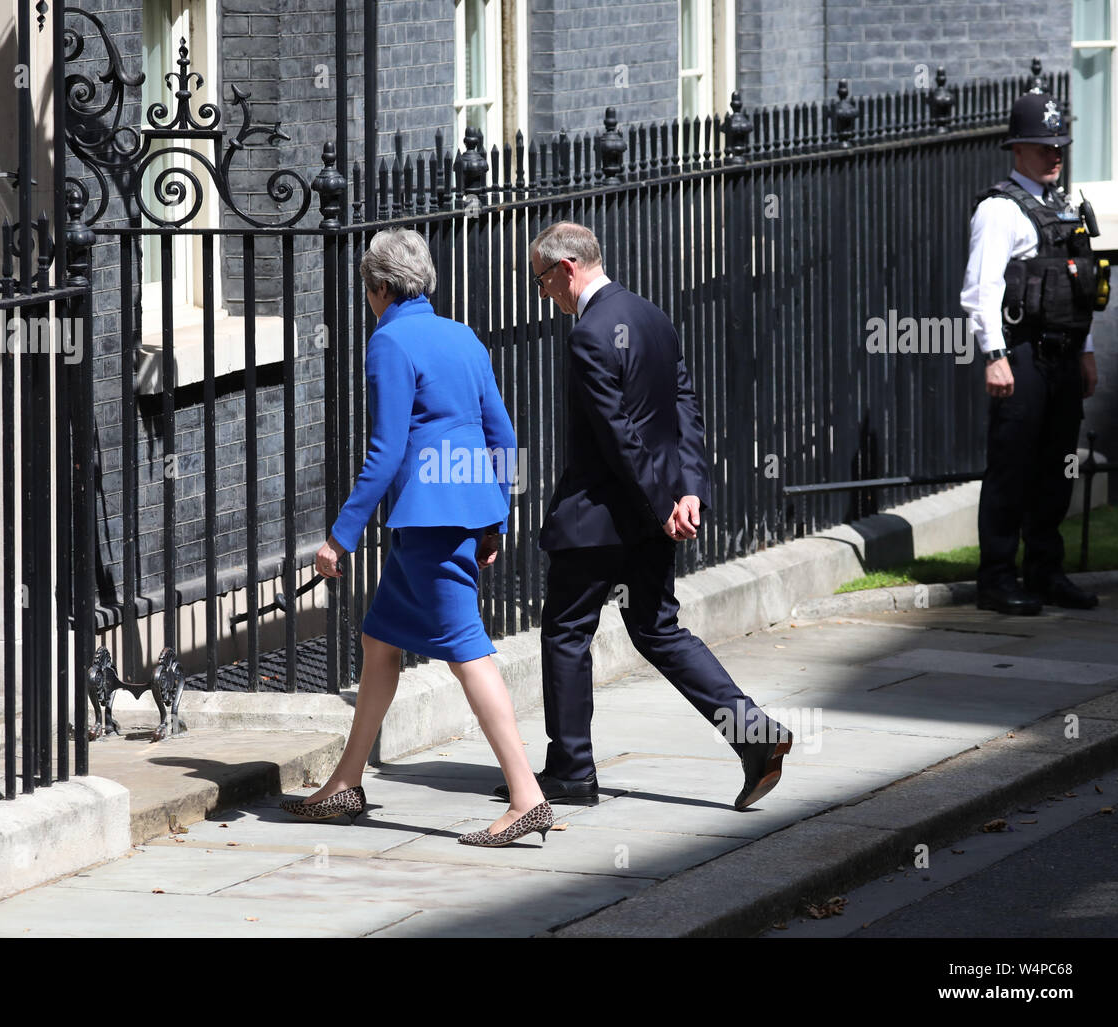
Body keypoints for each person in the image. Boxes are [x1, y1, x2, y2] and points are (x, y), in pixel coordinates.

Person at [495, 221, 790, 812]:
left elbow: (618, 437)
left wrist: (664, 505)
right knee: (658, 629)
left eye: (542, 281)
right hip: (654, 514)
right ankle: (754, 734)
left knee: (566, 632)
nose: (544, 294)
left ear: (567, 268)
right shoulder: (652, 316)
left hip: (600, 520)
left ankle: (573, 772)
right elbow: (685, 406)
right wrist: (688, 493)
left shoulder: (589, 336)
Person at [280, 228, 553, 847]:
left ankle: (526, 794)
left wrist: (340, 539)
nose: (368, 300)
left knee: (467, 650)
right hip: (459, 510)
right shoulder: (463, 335)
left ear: (379, 286)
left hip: (428, 520)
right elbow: (504, 435)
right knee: (380, 640)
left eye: (367, 290)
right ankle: (346, 783)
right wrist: (496, 519)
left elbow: (385, 452)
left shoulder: (390, 341)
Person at [960, 91, 1103, 615]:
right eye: (1045, 147)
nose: (1055, 155)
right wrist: (993, 355)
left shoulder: (1062, 206)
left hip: (1064, 354)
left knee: (1057, 467)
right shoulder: (1000, 211)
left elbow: (1078, 289)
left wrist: (1086, 350)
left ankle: (1046, 570)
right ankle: (996, 577)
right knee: (1011, 468)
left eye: (1059, 145)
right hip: (1020, 355)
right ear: (1018, 148)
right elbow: (981, 289)